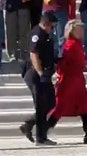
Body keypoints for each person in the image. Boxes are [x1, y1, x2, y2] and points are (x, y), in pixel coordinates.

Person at [46, 19, 87, 144]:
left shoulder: (76, 44)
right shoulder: (69, 45)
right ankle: (42, 130)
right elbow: (63, 63)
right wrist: (60, 76)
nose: (82, 32)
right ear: (72, 31)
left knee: (85, 105)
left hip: (77, 80)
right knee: (59, 106)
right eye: (79, 29)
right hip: (69, 80)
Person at [19, 11, 58, 146]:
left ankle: (29, 125)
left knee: (51, 102)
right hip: (34, 74)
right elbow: (34, 55)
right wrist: (41, 73)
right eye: (51, 26)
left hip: (44, 74)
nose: (52, 29)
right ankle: (40, 138)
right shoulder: (37, 34)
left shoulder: (45, 34)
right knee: (41, 105)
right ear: (45, 23)